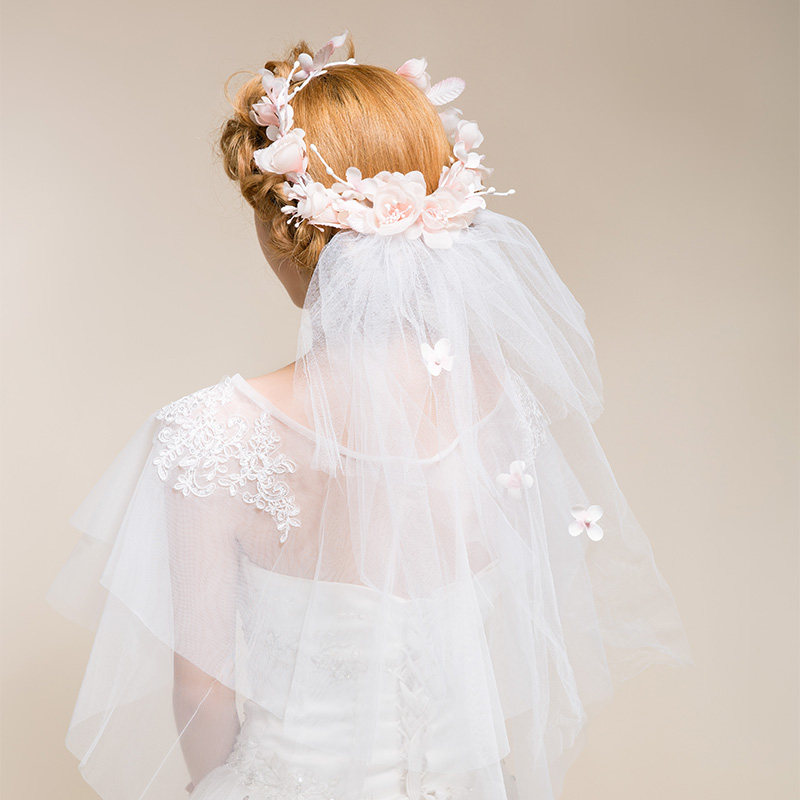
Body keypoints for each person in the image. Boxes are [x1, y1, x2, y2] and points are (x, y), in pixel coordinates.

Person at [47, 32, 692, 800]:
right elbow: (520, 639)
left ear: (284, 227)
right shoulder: (495, 404)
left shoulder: (211, 433)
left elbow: (202, 695)